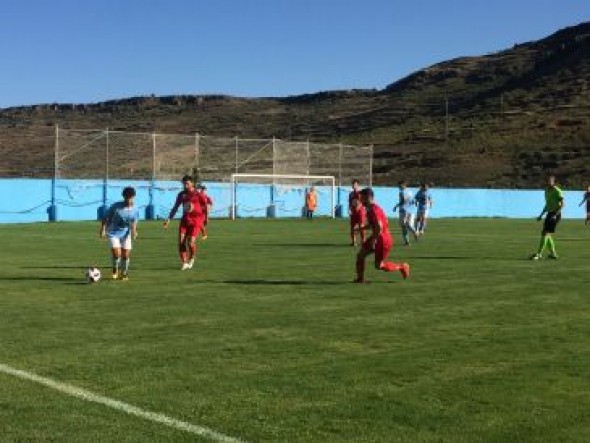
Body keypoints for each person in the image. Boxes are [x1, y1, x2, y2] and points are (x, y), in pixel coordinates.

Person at [355, 188, 410, 283]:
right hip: (377, 236)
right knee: (360, 255)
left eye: (362, 197)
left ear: (368, 197)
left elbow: (379, 227)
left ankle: (402, 266)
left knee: (378, 266)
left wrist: (373, 241)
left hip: (383, 240)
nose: (360, 200)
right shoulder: (370, 208)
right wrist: (362, 228)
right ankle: (360, 279)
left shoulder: (374, 210)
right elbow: (374, 225)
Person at [163, 175, 208, 270]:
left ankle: (192, 258)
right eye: (184, 184)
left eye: (187, 183)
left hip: (196, 221)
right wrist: (169, 219)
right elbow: (175, 207)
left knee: (191, 242)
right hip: (185, 220)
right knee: (181, 242)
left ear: (192, 183)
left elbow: (205, 207)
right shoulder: (181, 194)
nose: (185, 185)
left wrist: (205, 219)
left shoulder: (199, 195)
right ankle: (184, 262)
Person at [100, 186, 140, 281]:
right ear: (123, 196)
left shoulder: (135, 209)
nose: (128, 199)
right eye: (127, 197)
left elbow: (134, 221)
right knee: (117, 253)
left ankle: (124, 273)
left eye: (130, 197)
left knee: (125, 255)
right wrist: (103, 229)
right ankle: (115, 269)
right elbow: (105, 217)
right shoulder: (116, 206)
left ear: (133, 197)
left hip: (126, 233)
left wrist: (134, 231)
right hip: (113, 232)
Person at [530, 175, 565, 260]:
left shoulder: (557, 191)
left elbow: (563, 204)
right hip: (549, 213)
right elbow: (547, 204)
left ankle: (539, 254)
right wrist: (541, 215)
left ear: (553, 182)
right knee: (546, 234)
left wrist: (555, 214)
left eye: (550, 181)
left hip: (555, 214)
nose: (549, 182)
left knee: (545, 233)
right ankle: (553, 254)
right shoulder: (546, 191)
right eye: (548, 181)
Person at [393, 181, 418, 245]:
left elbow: (402, 201)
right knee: (408, 224)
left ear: (404, 185)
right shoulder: (410, 191)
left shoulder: (401, 192)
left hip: (404, 210)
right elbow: (413, 200)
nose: (398, 187)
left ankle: (413, 234)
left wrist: (396, 206)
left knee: (403, 226)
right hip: (411, 210)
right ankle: (408, 240)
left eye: (400, 185)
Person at [349, 179, 366, 246]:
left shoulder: (361, 193)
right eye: (352, 184)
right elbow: (350, 203)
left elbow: (362, 202)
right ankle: (354, 242)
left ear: (357, 185)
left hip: (360, 212)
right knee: (352, 227)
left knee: (361, 226)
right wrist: (350, 210)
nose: (353, 185)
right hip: (353, 212)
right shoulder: (351, 194)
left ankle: (363, 241)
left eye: (355, 184)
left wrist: (360, 207)